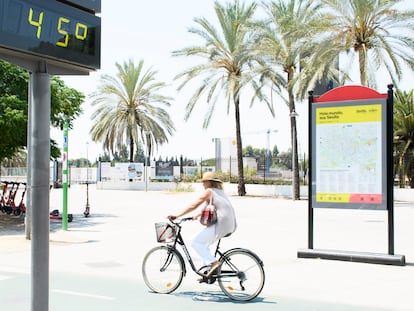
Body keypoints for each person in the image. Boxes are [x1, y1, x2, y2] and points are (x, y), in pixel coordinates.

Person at [168, 171, 237, 277]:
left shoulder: (209, 191)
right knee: (204, 245)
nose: (203, 184)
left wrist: (177, 216)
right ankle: (208, 272)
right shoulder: (218, 192)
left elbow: (194, 205)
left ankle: (214, 263)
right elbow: (212, 206)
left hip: (221, 224)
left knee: (195, 242)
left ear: (209, 182)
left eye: (204, 182)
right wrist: (197, 215)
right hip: (230, 225)